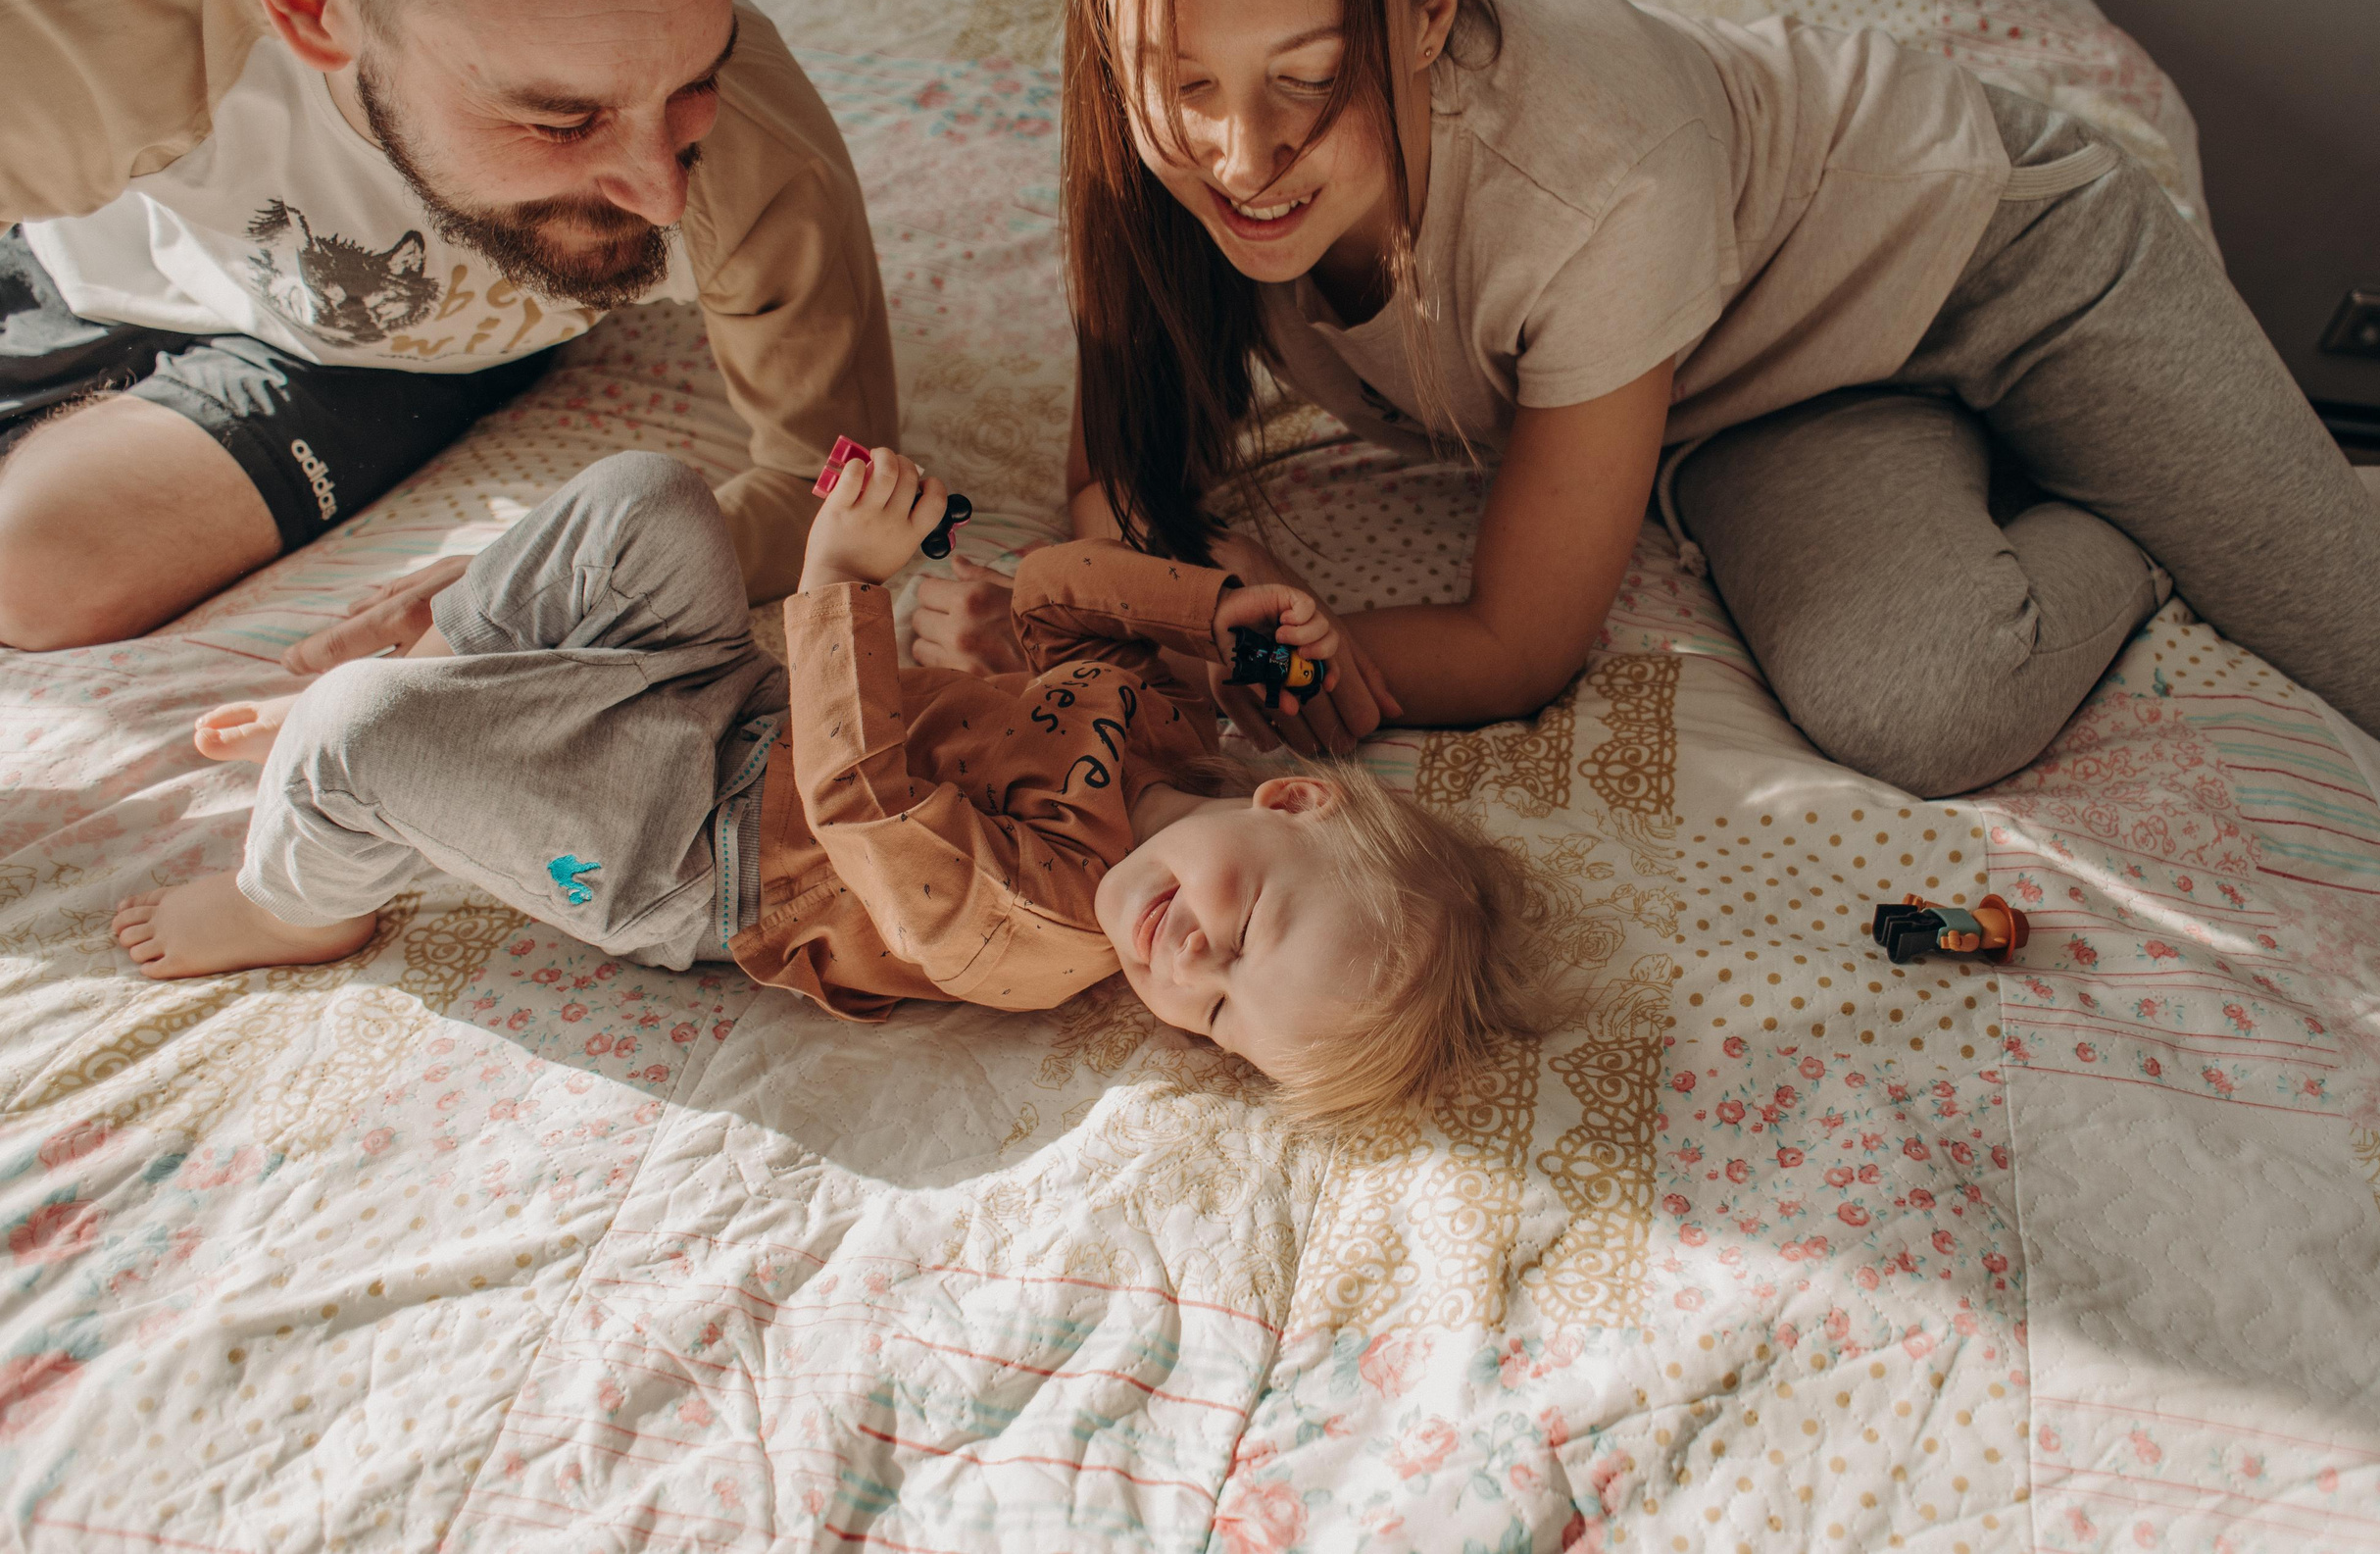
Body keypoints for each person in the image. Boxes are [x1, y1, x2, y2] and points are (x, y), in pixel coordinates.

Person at [909, 0, 2380, 957]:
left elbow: (1525, 637)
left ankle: (2219, 501)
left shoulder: (1586, 170)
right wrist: (1214, 600)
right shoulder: (1162, 153)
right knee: (1925, 703)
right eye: (1177, 80)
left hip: (1989, 252)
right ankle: (2191, 503)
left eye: (1303, 80)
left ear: (1428, 3)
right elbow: (1119, 486)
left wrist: (1268, 640)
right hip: (1739, 388)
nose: (1237, 154)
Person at [112, 448, 1545, 1125]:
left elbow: (861, 807)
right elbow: (1055, 603)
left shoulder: (1041, 929)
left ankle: (295, 895)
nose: (1190, 964)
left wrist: (841, 581)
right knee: (649, 503)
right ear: (1292, 803)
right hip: (734, 697)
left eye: (1220, 1017)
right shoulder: (1176, 736)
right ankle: (476, 682)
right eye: (1256, 936)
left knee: (357, 732)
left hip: (683, 849)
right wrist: (1211, 608)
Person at [0, 0, 895, 650]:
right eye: (560, 120)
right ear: (308, 2)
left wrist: (558, 580)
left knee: (34, 568)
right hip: (59, 251)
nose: (663, 195)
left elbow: (831, 488)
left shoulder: (756, 150)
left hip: (364, 358)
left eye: (696, 80)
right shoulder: (63, 8)